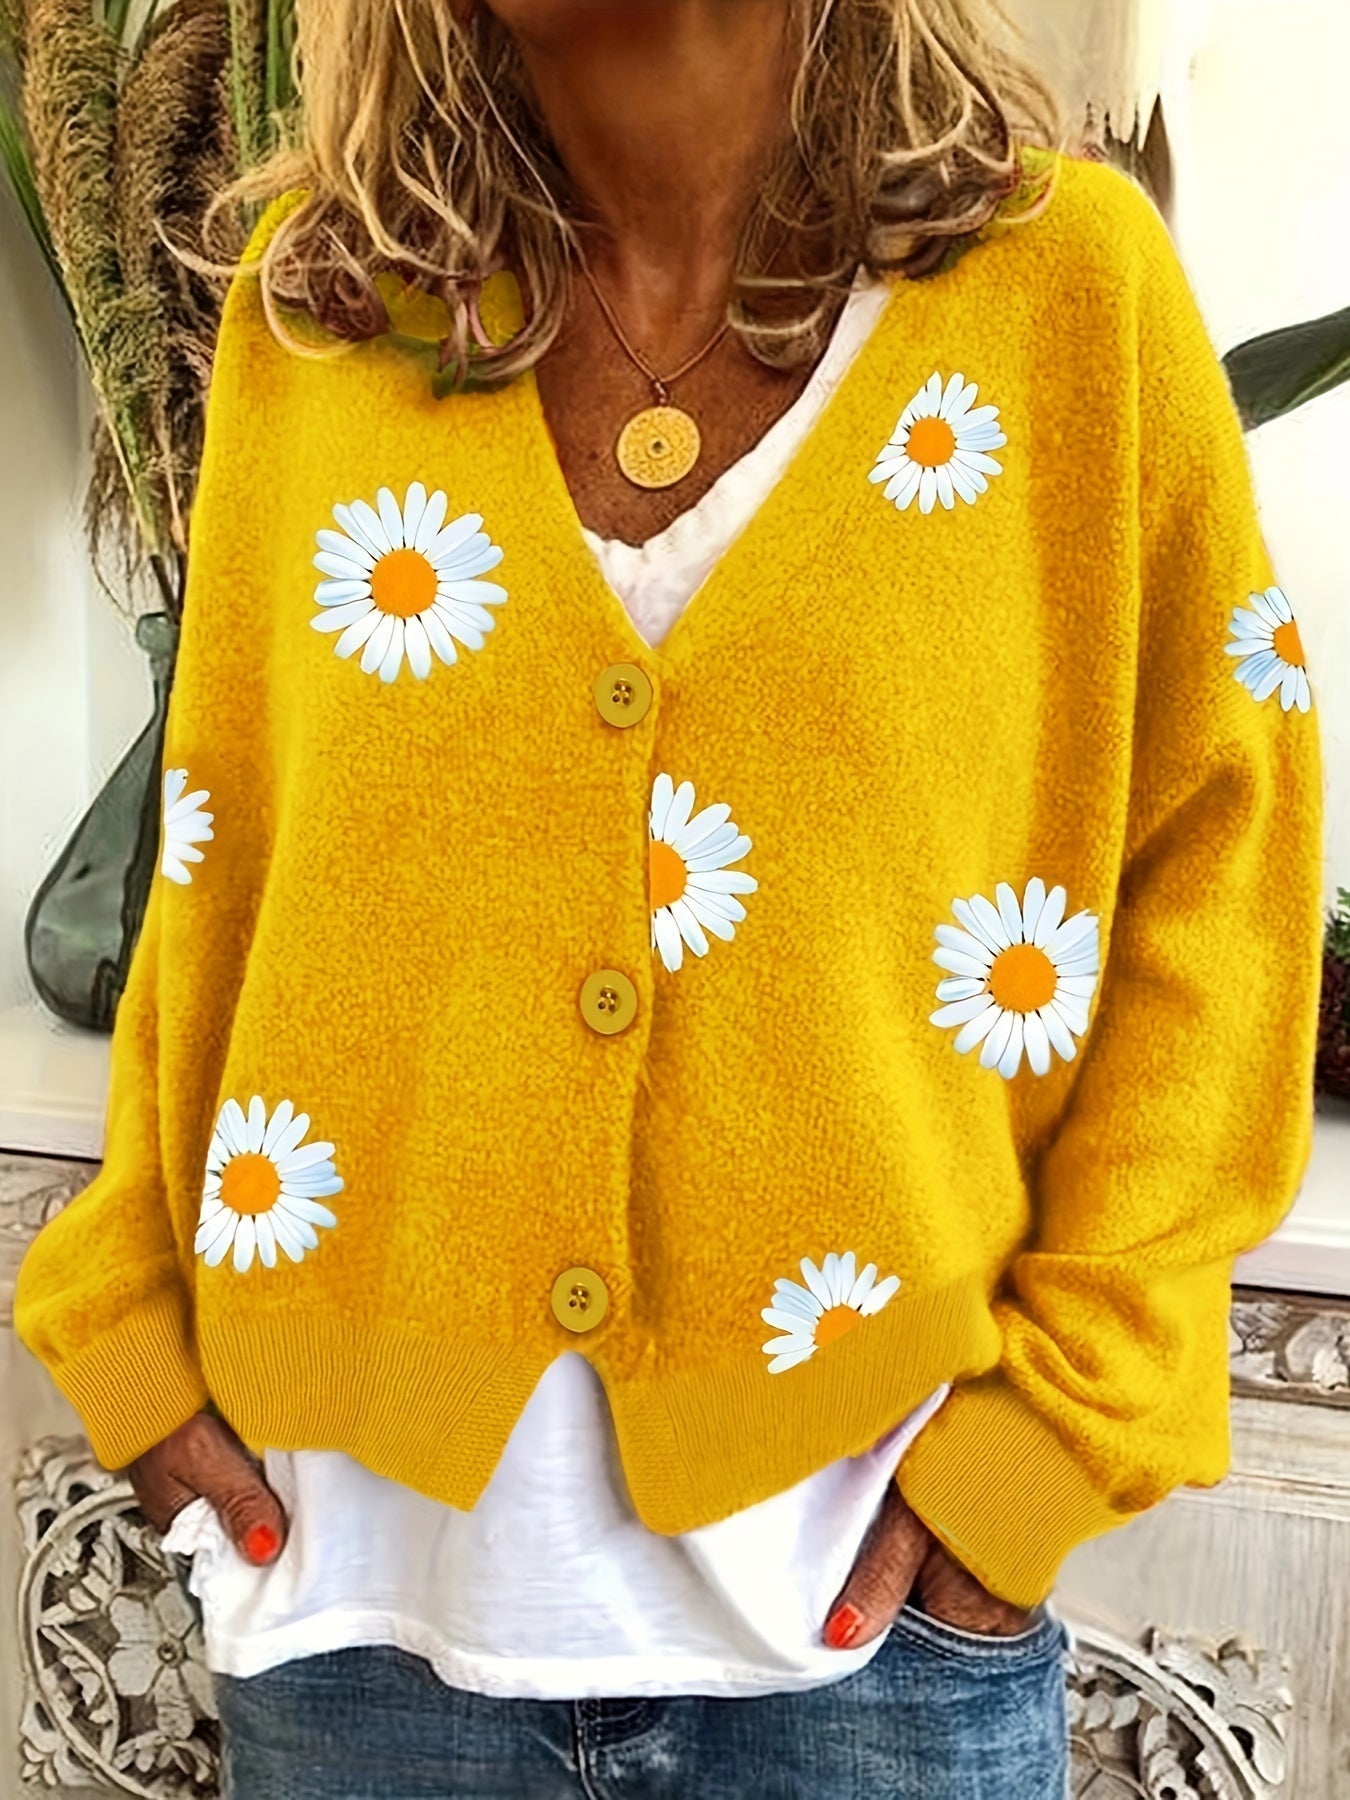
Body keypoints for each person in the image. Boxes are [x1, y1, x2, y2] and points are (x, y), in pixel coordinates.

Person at [14, 1, 1326, 1796]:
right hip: (356, 1627)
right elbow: (224, 851)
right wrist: (128, 1320)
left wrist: (1052, 1434)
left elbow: (1220, 874)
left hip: (871, 1661)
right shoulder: (320, 313)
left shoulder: (1063, 298)